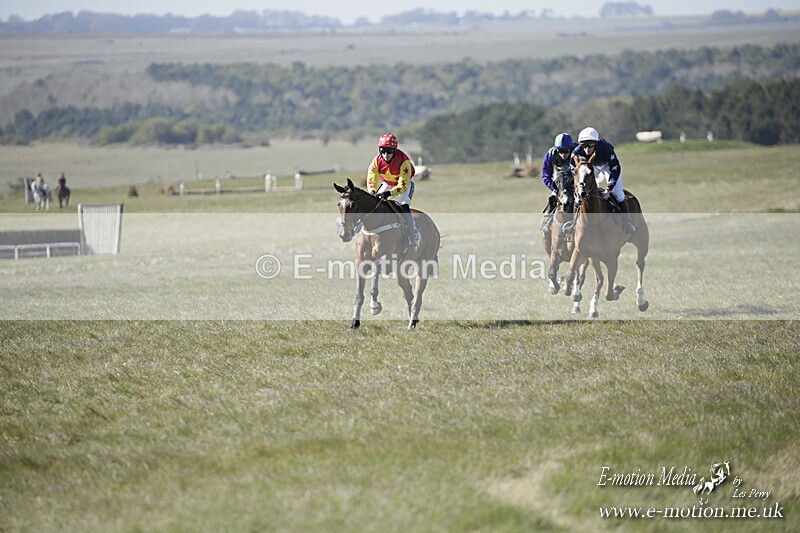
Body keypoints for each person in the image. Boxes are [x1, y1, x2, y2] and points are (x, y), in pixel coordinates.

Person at [570, 127, 635, 234]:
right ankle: (573, 224)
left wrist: (609, 189)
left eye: (590, 145)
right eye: (584, 145)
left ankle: (627, 223)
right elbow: (573, 170)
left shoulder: (606, 149)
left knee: (618, 194)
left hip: (608, 166)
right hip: (591, 166)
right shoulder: (576, 152)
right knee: (579, 194)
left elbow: (615, 168)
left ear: (596, 143)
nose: (587, 149)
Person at [367, 132, 419, 247]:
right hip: (388, 182)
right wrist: (372, 190)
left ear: (395, 150)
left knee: (404, 204)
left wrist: (389, 193)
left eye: (389, 151)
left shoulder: (404, 162)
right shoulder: (376, 161)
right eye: (383, 150)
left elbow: (402, 186)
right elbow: (372, 177)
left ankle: (412, 235)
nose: (386, 154)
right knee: (374, 203)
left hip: (405, 183)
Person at [539, 133, 578, 235]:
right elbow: (545, 175)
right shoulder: (551, 154)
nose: (563, 154)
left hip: (577, 183)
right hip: (560, 185)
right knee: (551, 204)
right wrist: (555, 188)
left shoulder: (578, 151)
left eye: (565, 151)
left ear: (571, 148)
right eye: (560, 151)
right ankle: (546, 224)